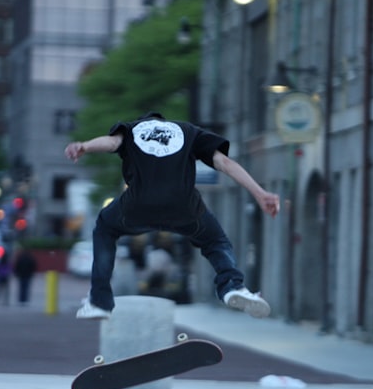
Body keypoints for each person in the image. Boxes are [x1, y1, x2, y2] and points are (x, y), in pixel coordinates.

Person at [64, 112, 280, 320]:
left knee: (105, 227)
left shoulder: (131, 129)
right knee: (214, 240)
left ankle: (99, 301)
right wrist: (260, 193)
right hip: (184, 207)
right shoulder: (188, 131)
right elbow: (225, 163)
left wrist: (85, 146)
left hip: (138, 204)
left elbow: (111, 143)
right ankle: (232, 286)